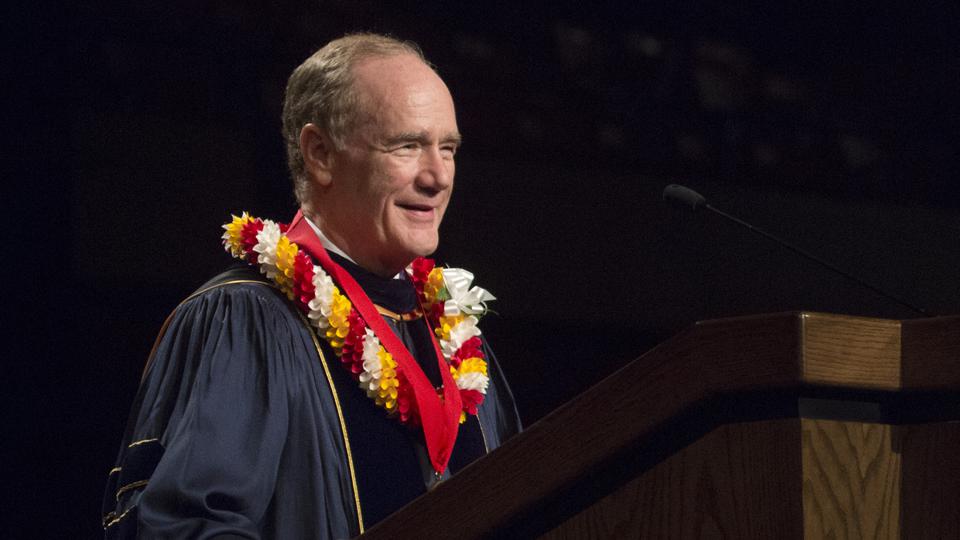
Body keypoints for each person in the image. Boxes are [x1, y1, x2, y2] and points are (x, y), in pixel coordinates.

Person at [102, 33, 521, 539]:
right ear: (320, 154)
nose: (437, 176)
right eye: (407, 146)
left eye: (447, 149)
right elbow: (190, 526)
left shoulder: (454, 337)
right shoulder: (248, 320)